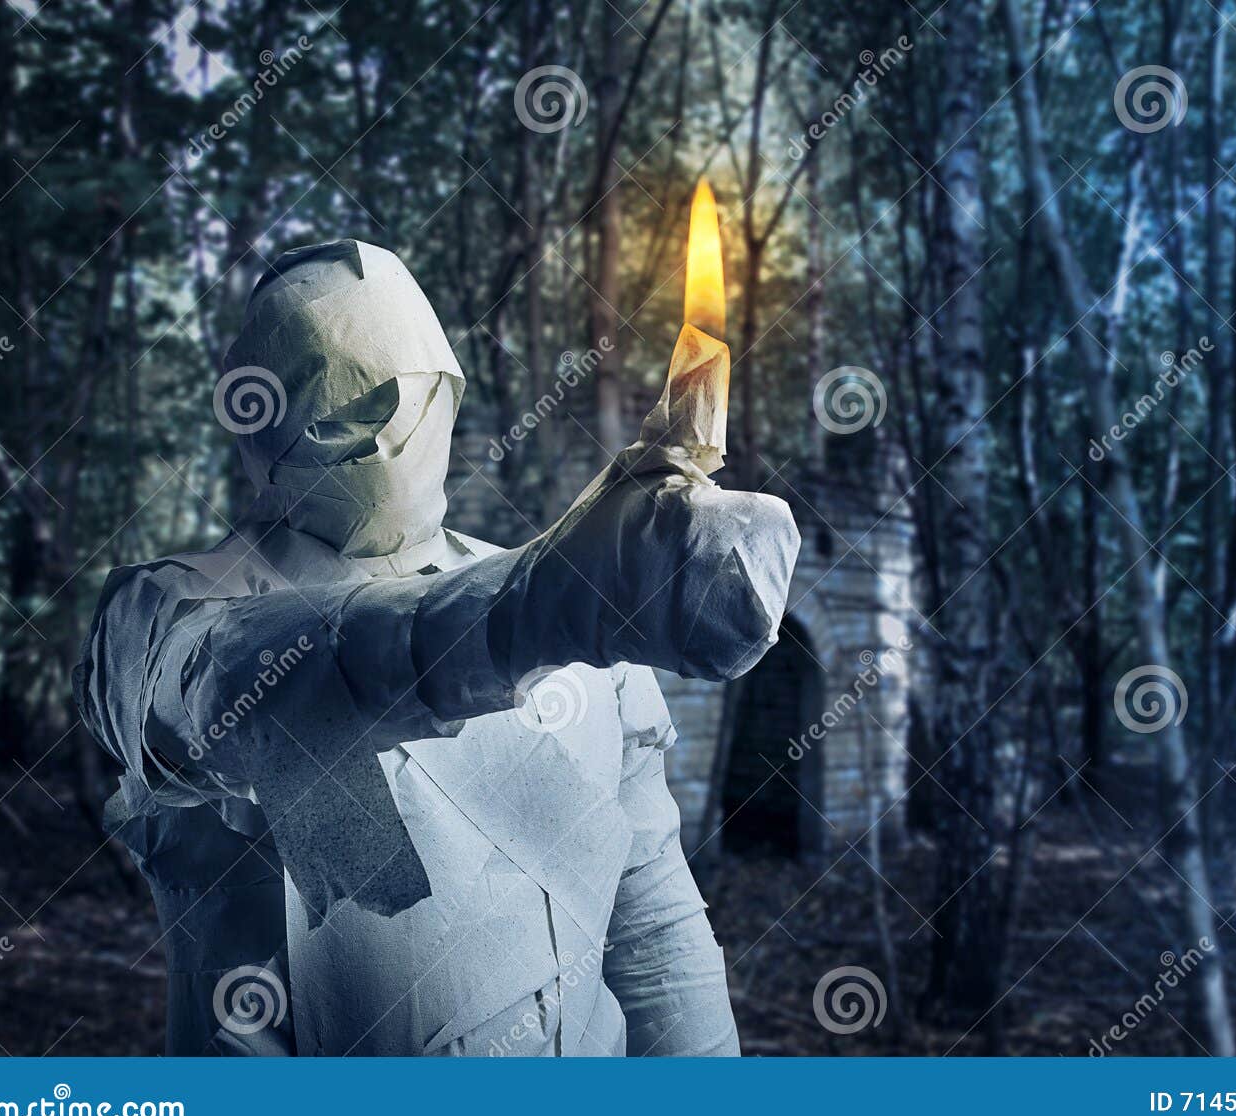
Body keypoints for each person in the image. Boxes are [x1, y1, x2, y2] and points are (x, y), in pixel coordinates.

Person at [73, 238, 798, 1056]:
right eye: (342, 413)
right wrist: (537, 608)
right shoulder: (161, 612)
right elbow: (239, 689)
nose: (382, 440)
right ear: (256, 421)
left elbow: (654, 924)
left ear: (448, 393)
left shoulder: (583, 613)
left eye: (405, 399)